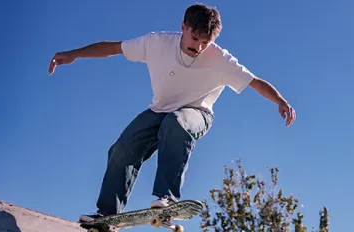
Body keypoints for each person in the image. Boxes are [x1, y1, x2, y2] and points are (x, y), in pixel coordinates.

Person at [46, 3, 296, 222]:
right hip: (158, 111)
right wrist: (74, 54)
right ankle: (107, 215)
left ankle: (168, 197)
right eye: (194, 38)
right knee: (122, 148)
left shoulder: (222, 60)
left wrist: (280, 100)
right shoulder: (156, 43)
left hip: (197, 113)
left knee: (177, 123)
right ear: (183, 27)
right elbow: (113, 48)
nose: (198, 47)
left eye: (205, 42)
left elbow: (255, 82)